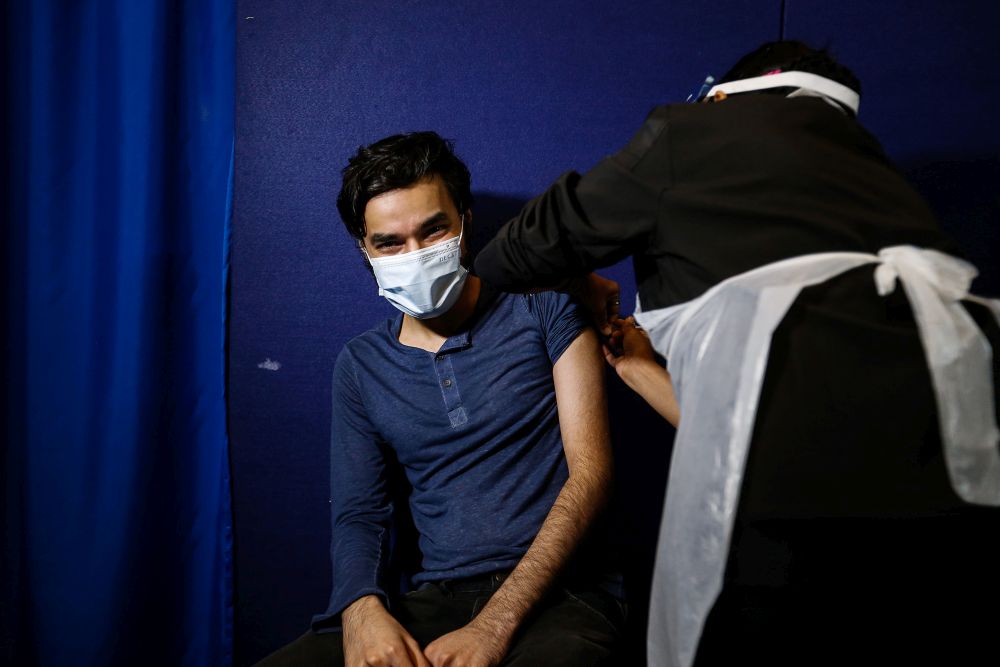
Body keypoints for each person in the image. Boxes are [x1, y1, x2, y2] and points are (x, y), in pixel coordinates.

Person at [474, 41, 1000, 666]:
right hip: (961, 511)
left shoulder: (689, 134)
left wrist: (579, 275)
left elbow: (509, 258)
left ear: (725, 95)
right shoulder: (883, 187)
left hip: (792, 530)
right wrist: (640, 371)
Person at [256, 132, 625, 667]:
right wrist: (361, 612)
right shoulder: (360, 366)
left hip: (568, 595)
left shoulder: (545, 311)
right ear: (365, 248)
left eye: (434, 231)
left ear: (465, 222)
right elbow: (359, 514)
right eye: (389, 243)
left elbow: (592, 474)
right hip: (439, 597)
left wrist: (494, 626)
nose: (415, 255)